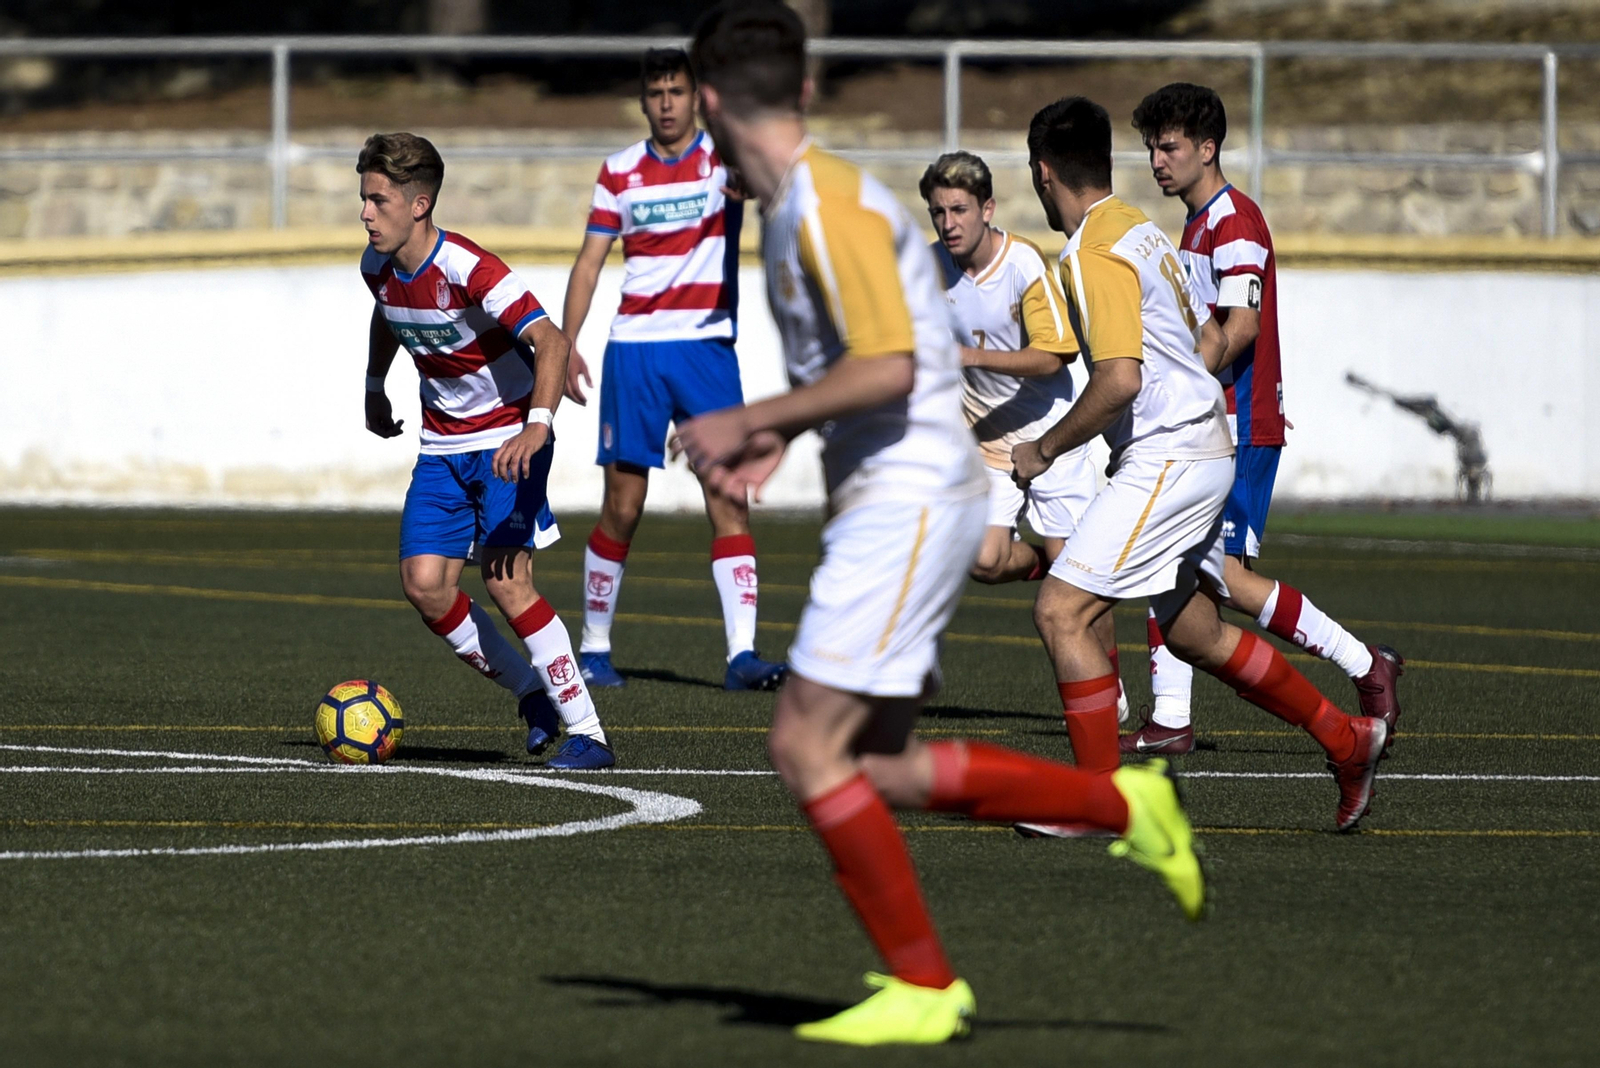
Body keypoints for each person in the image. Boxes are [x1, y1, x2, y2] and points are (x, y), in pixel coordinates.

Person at [675, 3, 1206, 1047]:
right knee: (870, 765)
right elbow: (883, 359)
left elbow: (891, 363)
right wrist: (791, 436)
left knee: (803, 745)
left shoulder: (821, 208)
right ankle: (1124, 810)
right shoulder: (802, 206)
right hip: (899, 495)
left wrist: (756, 417)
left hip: (910, 503)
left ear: (702, 104)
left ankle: (925, 984)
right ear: (807, 90)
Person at [1010, 96, 1387, 836]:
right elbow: (1198, 334)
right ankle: (1349, 740)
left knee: (1061, 610)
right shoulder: (1141, 230)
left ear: (1042, 172)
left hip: (1172, 455)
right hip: (1207, 445)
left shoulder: (1093, 252)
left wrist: (1044, 449)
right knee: (1192, 630)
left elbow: (1118, 379)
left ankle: (1098, 803)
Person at [1118, 83, 1403, 755]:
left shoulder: (1233, 223)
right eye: (1151, 148)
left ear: (1207, 149)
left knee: (1223, 578)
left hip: (1237, 427)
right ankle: (1170, 719)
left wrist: (1178, 388)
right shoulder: (1196, 223)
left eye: (1169, 147)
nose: (1157, 161)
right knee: (1173, 566)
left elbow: (1239, 327)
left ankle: (1365, 665)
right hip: (1210, 426)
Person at [358, 132, 614, 769]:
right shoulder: (376, 265)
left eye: (376, 200)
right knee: (426, 587)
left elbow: (550, 341)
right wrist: (373, 384)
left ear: (419, 205)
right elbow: (387, 314)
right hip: (442, 445)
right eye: (363, 199)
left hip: (508, 440)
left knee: (506, 579)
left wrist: (538, 425)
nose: (364, 213)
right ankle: (533, 694)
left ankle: (589, 733)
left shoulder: (470, 268)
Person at [560, 47, 785, 692]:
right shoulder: (620, 171)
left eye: (676, 92)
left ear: (696, 97)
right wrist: (567, 341)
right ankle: (595, 648)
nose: (666, 103)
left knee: (728, 497)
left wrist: (749, 185)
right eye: (655, 92)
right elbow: (588, 263)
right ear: (643, 101)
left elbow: (769, 191)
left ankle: (742, 656)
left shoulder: (723, 159)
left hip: (706, 347)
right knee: (623, 507)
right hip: (633, 350)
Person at [919, 150, 1128, 763]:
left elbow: (1054, 355)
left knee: (1082, 586)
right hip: (985, 445)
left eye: (958, 209)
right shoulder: (931, 269)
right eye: (937, 212)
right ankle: (1046, 561)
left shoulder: (1023, 266)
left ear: (987, 209)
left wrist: (973, 360)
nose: (948, 222)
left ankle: (1110, 689)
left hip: (1050, 439)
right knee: (983, 562)